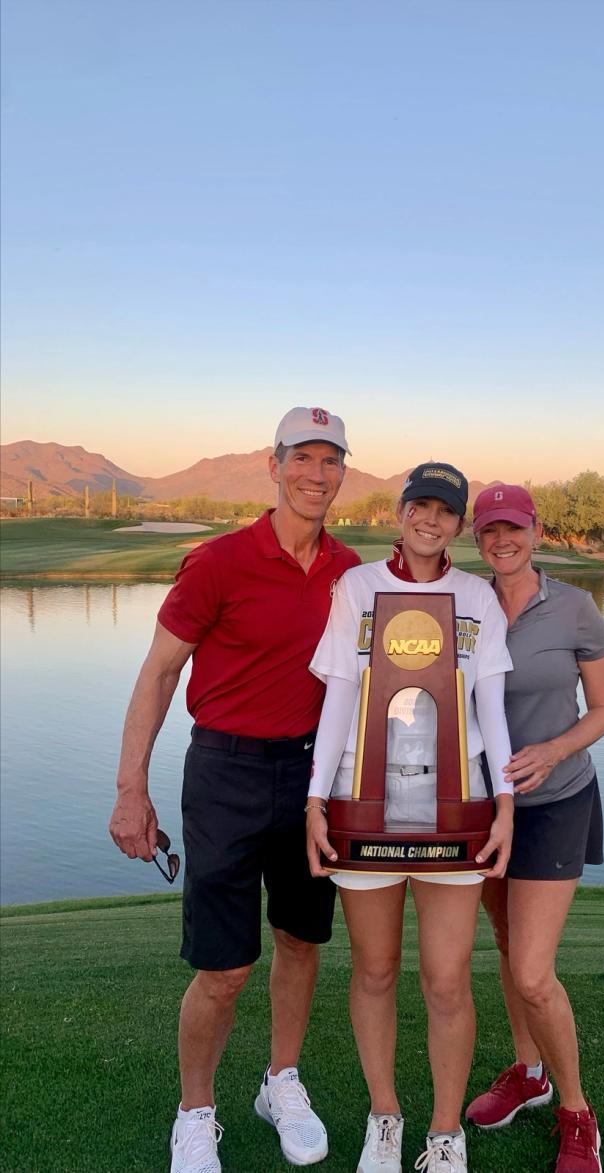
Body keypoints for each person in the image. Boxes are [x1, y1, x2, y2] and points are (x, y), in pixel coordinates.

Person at [108, 407, 360, 1173]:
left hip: (316, 775)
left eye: (331, 461)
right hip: (226, 771)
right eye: (303, 458)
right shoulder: (217, 561)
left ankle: (279, 1080)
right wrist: (130, 789)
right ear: (274, 463)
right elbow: (158, 672)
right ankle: (195, 1111)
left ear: (343, 471)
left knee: (300, 938)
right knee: (223, 967)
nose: (317, 474)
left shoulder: (351, 571)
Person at [305, 462, 515, 1173]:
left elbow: (491, 700)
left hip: (455, 809)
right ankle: (384, 1116)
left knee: (449, 979)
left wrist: (506, 799)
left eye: (446, 510)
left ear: (460, 524)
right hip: (363, 806)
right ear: (399, 510)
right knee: (373, 970)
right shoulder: (356, 588)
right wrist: (314, 796)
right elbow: (337, 696)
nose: (431, 519)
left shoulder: (477, 596)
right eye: (419, 505)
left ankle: (445, 1131)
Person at [464, 484, 604, 1173]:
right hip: (479, 805)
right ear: (478, 538)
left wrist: (553, 749)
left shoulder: (575, 608)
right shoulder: (464, 602)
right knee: (505, 942)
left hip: (556, 799)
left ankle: (577, 1112)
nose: (504, 540)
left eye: (514, 528)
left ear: (535, 531)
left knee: (532, 970)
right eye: (491, 529)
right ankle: (528, 1072)